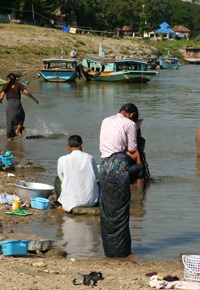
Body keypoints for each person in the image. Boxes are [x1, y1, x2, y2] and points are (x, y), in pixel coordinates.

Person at [98, 103, 140, 258]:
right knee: (121, 210)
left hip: (104, 167)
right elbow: (132, 149)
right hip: (118, 167)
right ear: (131, 114)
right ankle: (122, 252)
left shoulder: (106, 120)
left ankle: (109, 250)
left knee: (107, 210)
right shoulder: (129, 124)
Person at [55, 135, 99, 212]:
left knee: (57, 180)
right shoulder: (90, 158)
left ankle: (61, 204)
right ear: (82, 145)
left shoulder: (62, 159)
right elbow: (96, 176)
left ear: (68, 147)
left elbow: (61, 177)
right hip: (91, 201)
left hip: (71, 202)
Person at [0, 73, 39, 139]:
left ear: (8, 79)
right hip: (17, 103)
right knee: (21, 116)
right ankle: (18, 129)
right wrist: (34, 98)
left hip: (10, 104)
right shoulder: (18, 84)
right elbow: (27, 92)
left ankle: (10, 136)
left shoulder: (5, 86)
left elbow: (1, 97)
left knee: (10, 120)